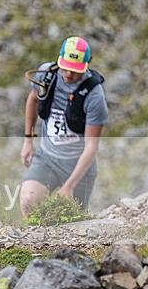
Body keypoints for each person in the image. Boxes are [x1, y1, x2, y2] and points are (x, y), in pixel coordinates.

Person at [20, 36, 109, 216]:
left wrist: (69, 186)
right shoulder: (46, 74)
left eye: (75, 71)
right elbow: (33, 98)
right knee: (29, 201)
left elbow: (91, 146)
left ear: (86, 66)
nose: (69, 74)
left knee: (71, 220)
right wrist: (28, 140)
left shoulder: (94, 95)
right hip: (47, 158)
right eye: (66, 68)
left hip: (78, 165)